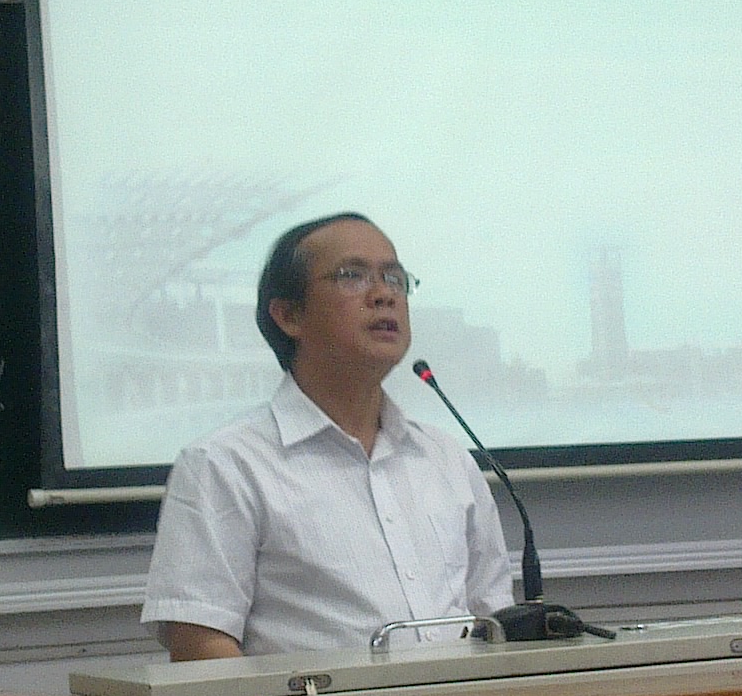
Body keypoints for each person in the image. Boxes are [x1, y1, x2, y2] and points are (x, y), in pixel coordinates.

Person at [141, 212, 514, 661]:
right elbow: (200, 644)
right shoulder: (225, 464)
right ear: (289, 315)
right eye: (352, 276)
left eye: (394, 279)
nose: (384, 295)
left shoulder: (446, 458)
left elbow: (496, 624)